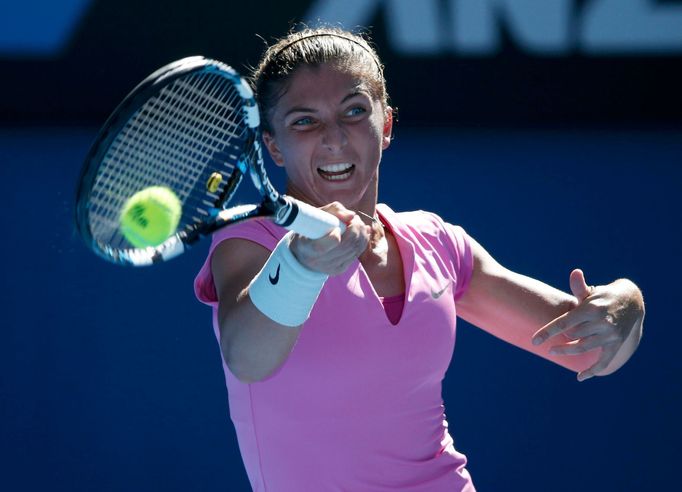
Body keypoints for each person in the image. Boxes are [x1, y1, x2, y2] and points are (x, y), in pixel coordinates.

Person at [194, 26, 645, 491]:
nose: (333, 139)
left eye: (353, 111)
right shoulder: (251, 243)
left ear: (385, 125)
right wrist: (301, 265)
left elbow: (592, 351)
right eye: (304, 121)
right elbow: (246, 357)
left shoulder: (436, 242)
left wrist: (627, 303)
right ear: (272, 145)